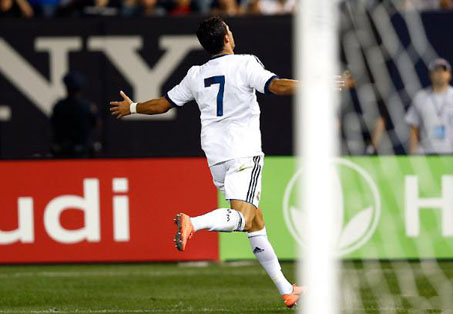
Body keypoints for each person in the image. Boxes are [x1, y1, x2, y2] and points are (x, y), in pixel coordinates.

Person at [110, 16, 304, 308]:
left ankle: (286, 289)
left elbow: (164, 104)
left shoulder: (195, 74)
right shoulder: (246, 63)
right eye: (229, 30)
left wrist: (133, 107)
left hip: (216, 157)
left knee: (255, 222)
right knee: (245, 217)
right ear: (227, 38)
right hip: (243, 151)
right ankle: (194, 223)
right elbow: (275, 86)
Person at [405, 58, 453, 155]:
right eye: (436, 71)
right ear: (430, 75)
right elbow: (414, 128)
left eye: (444, 70)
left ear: (449, 75)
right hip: (425, 154)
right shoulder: (420, 97)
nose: (440, 74)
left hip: (450, 153)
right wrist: (413, 154)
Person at [51, 72, 99, 158]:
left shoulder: (59, 106)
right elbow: (96, 124)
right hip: (84, 152)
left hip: (64, 152)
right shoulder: (88, 106)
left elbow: (53, 126)